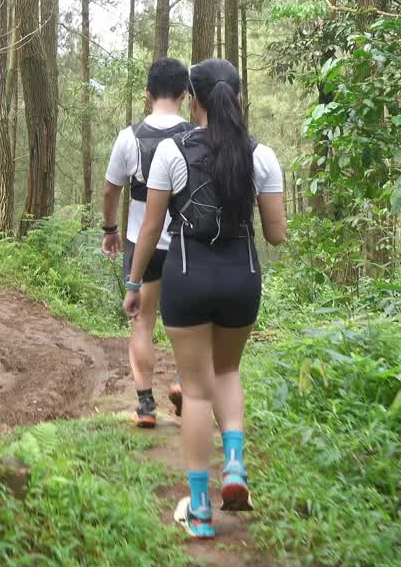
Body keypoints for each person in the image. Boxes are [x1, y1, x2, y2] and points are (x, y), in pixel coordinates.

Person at [121, 58, 287, 539]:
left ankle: (198, 508)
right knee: (228, 370)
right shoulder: (261, 156)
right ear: (236, 98)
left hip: (187, 277)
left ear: (194, 101)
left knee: (194, 389)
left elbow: (150, 228)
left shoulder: (171, 153)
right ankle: (234, 467)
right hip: (242, 278)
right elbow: (275, 235)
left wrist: (135, 286)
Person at [101, 57, 195, 428]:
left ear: (147, 93)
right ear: (186, 95)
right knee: (186, 324)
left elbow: (111, 190)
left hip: (142, 243)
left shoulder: (130, 137)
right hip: (186, 244)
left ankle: (144, 406)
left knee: (142, 323)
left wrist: (110, 229)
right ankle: (183, 383)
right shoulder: (195, 135)